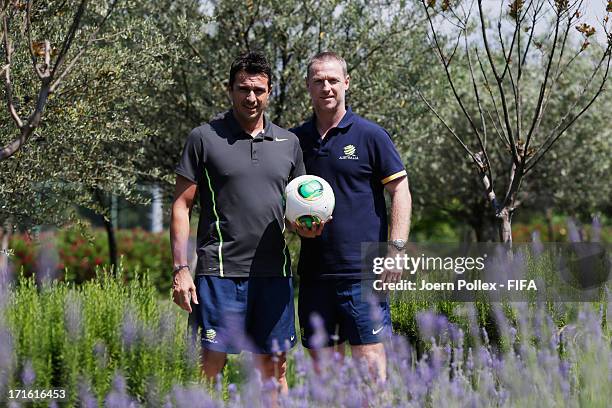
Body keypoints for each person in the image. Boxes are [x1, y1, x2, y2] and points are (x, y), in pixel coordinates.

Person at [170, 51, 304, 394]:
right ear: (230, 89)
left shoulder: (290, 143)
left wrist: (307, 226)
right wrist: (181, 268)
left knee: (274, 370)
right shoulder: (204, 138)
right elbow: (182, 206)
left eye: (259, 90)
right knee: (210, 366)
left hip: (274, 274)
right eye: (243, 88)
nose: (251, 97)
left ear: (270, 91)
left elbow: (299, 210)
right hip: (219, 274)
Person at [291, 52, 412, 380]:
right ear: (308, 86)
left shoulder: (370, 135)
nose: (326, 87)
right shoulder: (294, 141)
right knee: (324, 377)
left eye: (332, 80)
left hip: (363, 273)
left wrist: (396, 250)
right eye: (318, 81)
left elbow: (400, 191)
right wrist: (294, 225)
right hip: (315, 274)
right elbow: (284, 200)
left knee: (370, 367)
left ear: (346, 83)